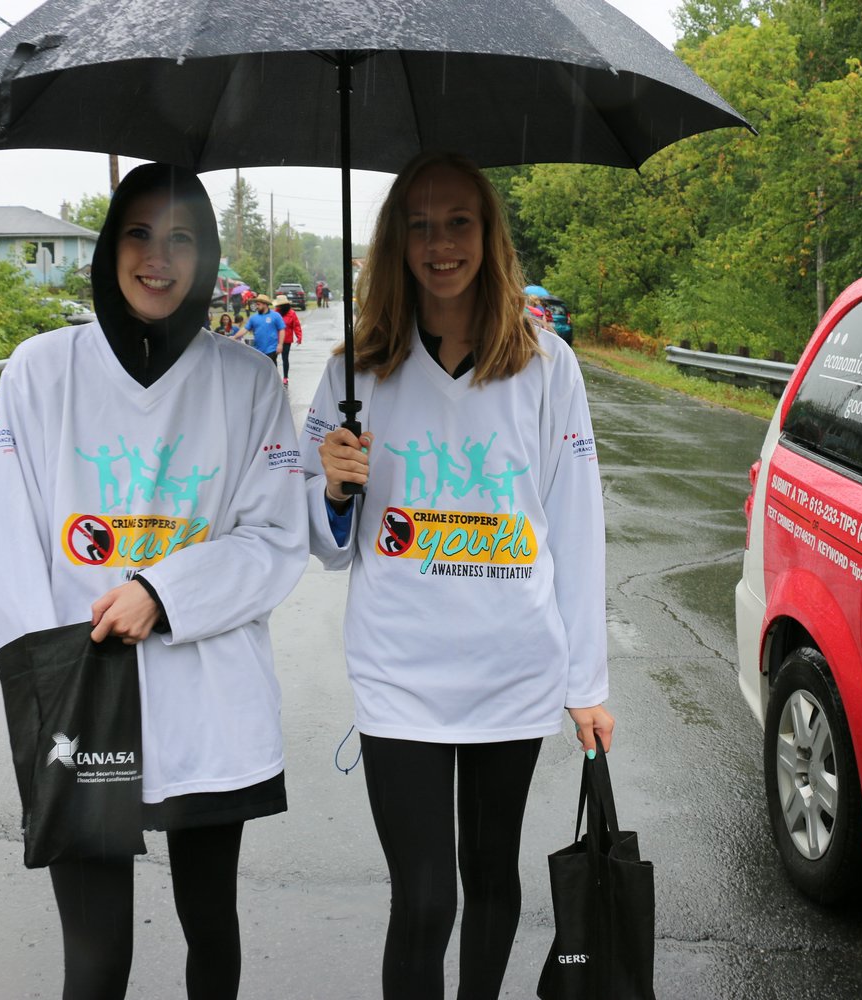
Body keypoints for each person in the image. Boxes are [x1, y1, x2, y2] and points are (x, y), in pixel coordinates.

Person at [0, 162, 308, 1000]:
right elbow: (10, 549)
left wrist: (164, 593)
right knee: (96, 961)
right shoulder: (40, 372)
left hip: (210, 702)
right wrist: (43, 681)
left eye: (183, 238)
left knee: (212, 933)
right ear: (108, 246)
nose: (158, 258)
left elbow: (274, 537)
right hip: (82, 697)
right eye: (139, 233)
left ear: (206, 259)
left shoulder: (248, 381)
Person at [299, 151, 614, 1000]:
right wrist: (332, 486)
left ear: (490, 235)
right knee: (427, 896)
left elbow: (578, 529)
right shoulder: (354, 372)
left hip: (513, 666)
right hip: (399, 671)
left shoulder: (548, 366)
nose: (441, 244)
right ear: (396, 241)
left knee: (492, 875)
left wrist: (585, 680)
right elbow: (327, 548)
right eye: (420, 225)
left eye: (459, 223)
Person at [244, 293, 285, 361]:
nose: (257, 306)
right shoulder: (254, 317)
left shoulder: (275, 315)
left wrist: (280, 344)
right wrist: (235, 337)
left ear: (265, 304)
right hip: (258, 350)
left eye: (258, 304)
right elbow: (245, 329)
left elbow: (282, 330)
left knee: (270, 370)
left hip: (271, 350)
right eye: (256, 304)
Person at [272, 293, 302, 385]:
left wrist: (299, 336)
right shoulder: (275, 313)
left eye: (279, 305)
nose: (278, 307)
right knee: (273, 358)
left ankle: (285, 377)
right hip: (275, 339)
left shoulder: (292, 313)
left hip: (287, 339)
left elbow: (296, 325)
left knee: (285, 358)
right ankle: (275, 376)